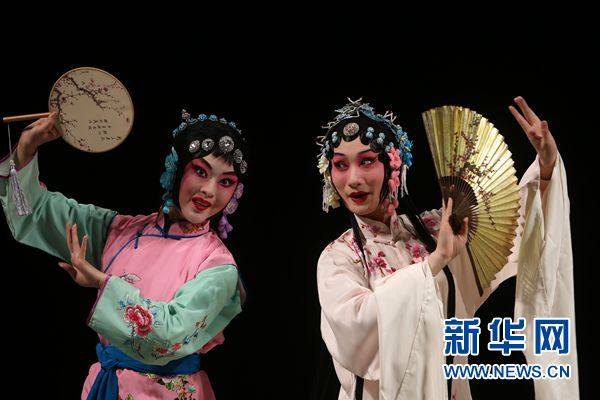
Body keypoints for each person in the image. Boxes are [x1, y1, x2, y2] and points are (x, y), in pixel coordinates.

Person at [315, 97, 578, 399]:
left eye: (366, 161)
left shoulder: (434, 231)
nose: (353, 179)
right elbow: (357, 327)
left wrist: (546, 166)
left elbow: (517, 225)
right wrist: (434, 263)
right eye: (340, 165)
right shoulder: (340, 257)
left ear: (393, 166)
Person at [1, 109, 249, 399]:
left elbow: (168, 336)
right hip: (105, 385)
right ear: (176, 167)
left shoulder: (218, 266)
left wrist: (102, 282)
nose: (209, 191)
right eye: (201, 171)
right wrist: (27, 147)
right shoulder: (120, 232)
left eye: (225, 182)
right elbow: (34, 213)